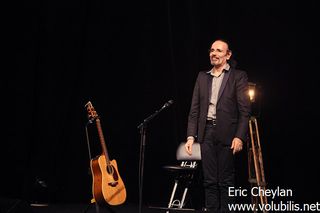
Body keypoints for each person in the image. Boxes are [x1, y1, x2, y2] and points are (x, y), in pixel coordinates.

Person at [185, 39, 251, 212]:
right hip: (206, 132)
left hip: (228, 134)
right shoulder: (202, 77)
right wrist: (191, 136)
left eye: (219, 51)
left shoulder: (238, 76)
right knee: (209, 181)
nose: (214, 53)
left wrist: (239, 137)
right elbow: (194, 109)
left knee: (226, 181)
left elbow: (245, 111)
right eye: (212, 50)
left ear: (228, 55)